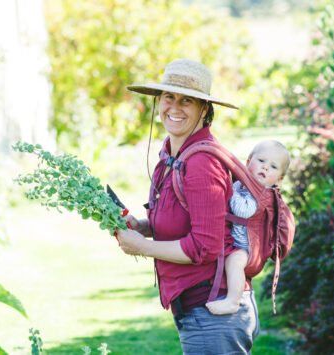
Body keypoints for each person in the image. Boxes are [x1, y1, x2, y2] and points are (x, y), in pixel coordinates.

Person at [116, 58, 260, 354]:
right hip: (197, 310)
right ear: (159, 101)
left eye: (188, 101)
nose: (175, 107)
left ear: (204, 110)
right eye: (169, 97)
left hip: (214, 312)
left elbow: (204, 246)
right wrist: (142, 227)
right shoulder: (170, 157)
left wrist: (142, 246)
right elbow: (186, 222)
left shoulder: (202, 163)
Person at [205, 140, 291, 315]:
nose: (265, 168)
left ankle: (233, 301)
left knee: (234, 262)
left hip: (247, 247)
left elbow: (243, 210)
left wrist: (229, 189)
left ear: (280, 178)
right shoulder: (246, 185)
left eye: (273, 166)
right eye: (261, 161)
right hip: (238, 240)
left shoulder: (262, 193)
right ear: (248, 162)